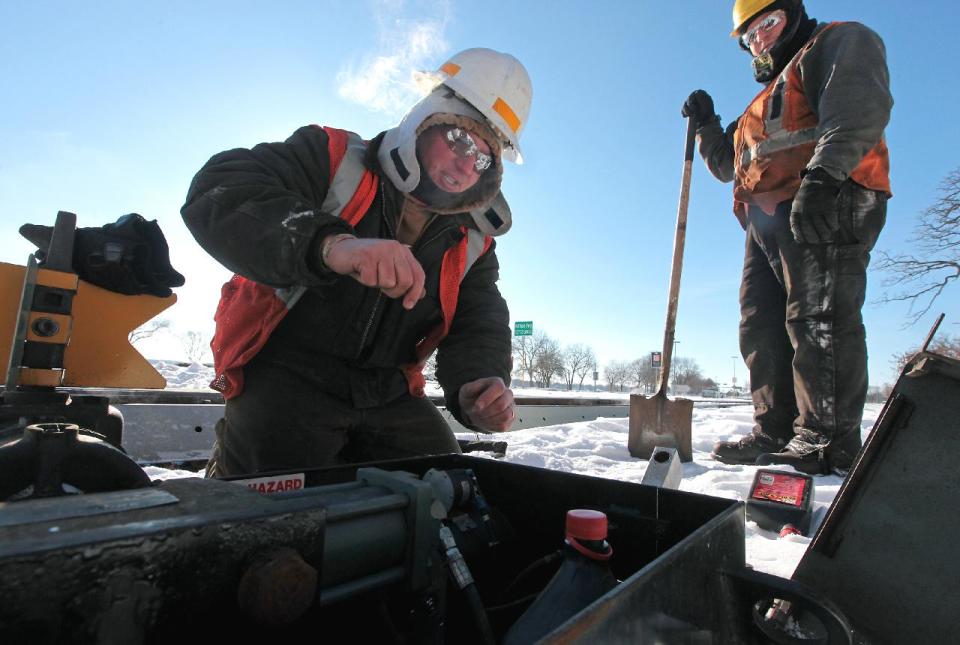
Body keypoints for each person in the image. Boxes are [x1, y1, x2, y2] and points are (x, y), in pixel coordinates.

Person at [181, 48, 532, 477]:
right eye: (459, 139)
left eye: (482, 158)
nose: (464, 165)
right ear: (425, 119)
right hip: (286, 371)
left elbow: (479, 319)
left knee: (450, 489)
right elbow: (220, 190)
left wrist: (480, 381)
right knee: (271, 511)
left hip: (389, 391)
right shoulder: (330, 158)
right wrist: (330, 244)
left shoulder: (474, 240)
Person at [681, 0, 892, 474]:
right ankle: (775, 428)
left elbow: (857, 109)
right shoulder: (762, 102)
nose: (760, 40)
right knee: (761, 324)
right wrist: (708, 124)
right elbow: (724, 165)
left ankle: (827, 440)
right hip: (766, 220)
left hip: (824, 199)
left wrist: (823, 178)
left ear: (793, 15)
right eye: (750, 38)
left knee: (817, 317)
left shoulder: (836, 42)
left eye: (767, 25)